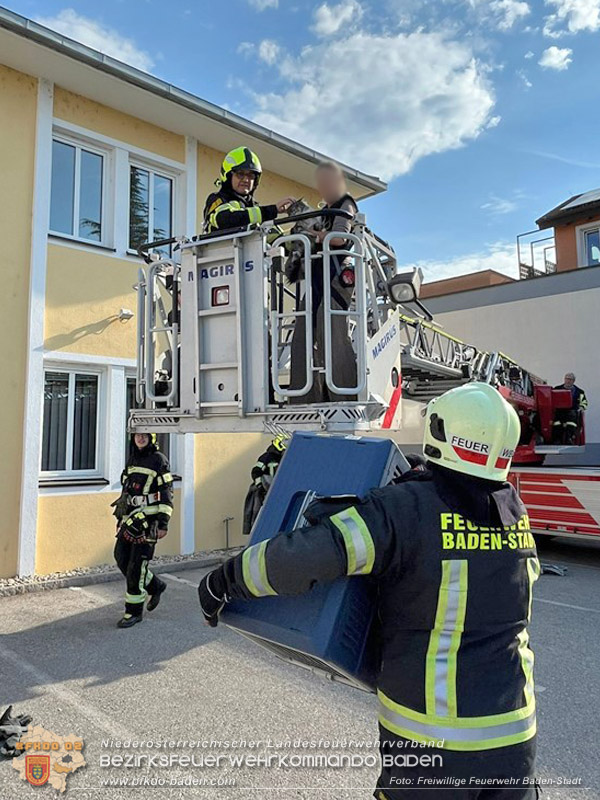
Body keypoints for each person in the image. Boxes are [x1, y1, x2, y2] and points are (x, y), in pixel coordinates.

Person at [198, 383, 540, 798]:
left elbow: (301, 559)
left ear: (440, 432)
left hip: (431, 745)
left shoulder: (403, 510)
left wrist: (223, 581)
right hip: (513, 740)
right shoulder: (513, 515)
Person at [288, 161, 359, 403]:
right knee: (303, 332)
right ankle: (303, 396)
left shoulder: (345, 204)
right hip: (319, 275)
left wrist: (317, 235)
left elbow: (341, 237)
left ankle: (343, 395)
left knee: (333, 333)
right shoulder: (324, 210)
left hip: (336, 275)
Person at [112, 433, 174, 628]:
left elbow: (166, 492)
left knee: (136, 568)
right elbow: (126, 491)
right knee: (120, 557)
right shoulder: (133, 458)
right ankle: (156, 585)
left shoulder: (159, 460)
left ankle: (133, 612)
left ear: (151, 438)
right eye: (137, 435)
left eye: (144, 436)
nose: (140, 439)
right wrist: (119, 516)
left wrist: (163, 523)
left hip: (150, 522)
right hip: (130, 520)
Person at [203, 147, 295, 233]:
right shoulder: (217, 199)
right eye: (240, 174)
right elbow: (226, 220)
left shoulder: (255, 207)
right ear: (228, 176)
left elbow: (272, 237)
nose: (246, 180)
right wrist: (273, 210)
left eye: (251, 176)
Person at [242, 435, 288, 536]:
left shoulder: (285, 457)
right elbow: (256, 471)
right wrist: (260, 485)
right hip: (265, 490)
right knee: (258, 513)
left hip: (279, 491)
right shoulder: (266, 457)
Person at [552, 372, 588, 445]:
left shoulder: (579, 392)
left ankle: (569, 438)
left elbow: (584, 403)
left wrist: (581, 408)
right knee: (557, 423)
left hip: (572, 411)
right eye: (566, 378)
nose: (568, 381)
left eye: (570, 379)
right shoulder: (556, 389)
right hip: (559, 411)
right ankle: (557, 439)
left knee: (571, 422)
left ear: (573, 381)